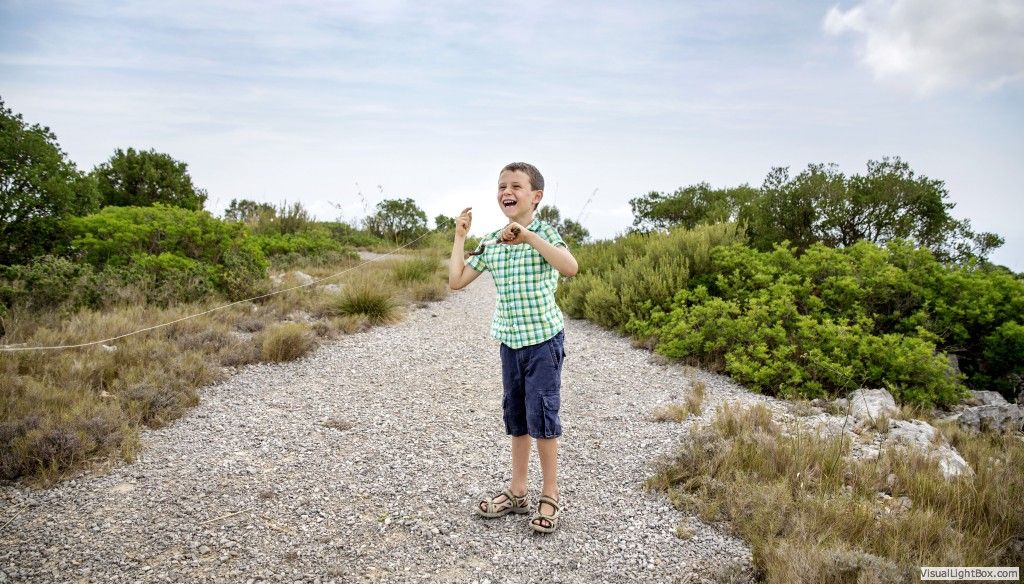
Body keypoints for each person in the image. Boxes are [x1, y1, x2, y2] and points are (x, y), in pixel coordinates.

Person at [448, 161, 579, 533]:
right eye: (502, 186)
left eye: (516, 186)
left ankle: (550, 495)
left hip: (543, 342)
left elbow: (570, 268)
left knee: (543, 418)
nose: (507, 191)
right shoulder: (492, 241)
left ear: (535, 197)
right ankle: (518, 492)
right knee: (518, 418)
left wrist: (529, 237)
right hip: (510, 342)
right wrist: (460, 236)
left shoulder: (545, 233)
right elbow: (456, 280)